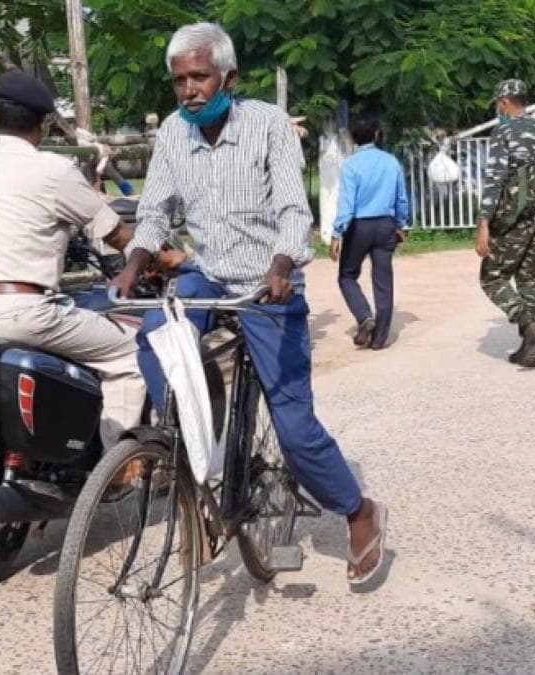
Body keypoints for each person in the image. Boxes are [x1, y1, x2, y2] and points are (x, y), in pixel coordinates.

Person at [112, 22, 389, 586]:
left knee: (295, 430)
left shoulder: (266, 127)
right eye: (179, 80)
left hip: (267, 286)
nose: (189, 90)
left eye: (199, 77)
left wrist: (283, 265)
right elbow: (156, 210)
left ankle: (359, 512)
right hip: (209, 276)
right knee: (155, 333)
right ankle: (192, 441)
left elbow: (293, 210)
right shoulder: (172, 133)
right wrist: (135, 262)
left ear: (228, 79)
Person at [0, 70, 146, 451]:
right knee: (129, 352)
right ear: (42, 124)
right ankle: (118, 463)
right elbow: (118, 235)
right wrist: (160, 255)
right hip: (23, 312)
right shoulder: (54, 170)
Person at [476, 79, 535, 368]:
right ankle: (530, 347)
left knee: (492, 276)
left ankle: (530, 326)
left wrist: (483, 224)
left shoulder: (502, 130)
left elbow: (494, 180)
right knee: (530, 278)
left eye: (497, 104)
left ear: (504, 103)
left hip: (512, 218)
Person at [328, 110, 409, 350]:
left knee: (347, 276)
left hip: (359, 227)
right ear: (376, 134)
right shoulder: (391, 161)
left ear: (353, 138)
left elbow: (347, 205)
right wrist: (402, 225)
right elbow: (401, 198)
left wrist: (337, 233)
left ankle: (364, 317)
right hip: (385, 225)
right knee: (383, 279)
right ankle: (380, 338)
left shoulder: (351, 165)